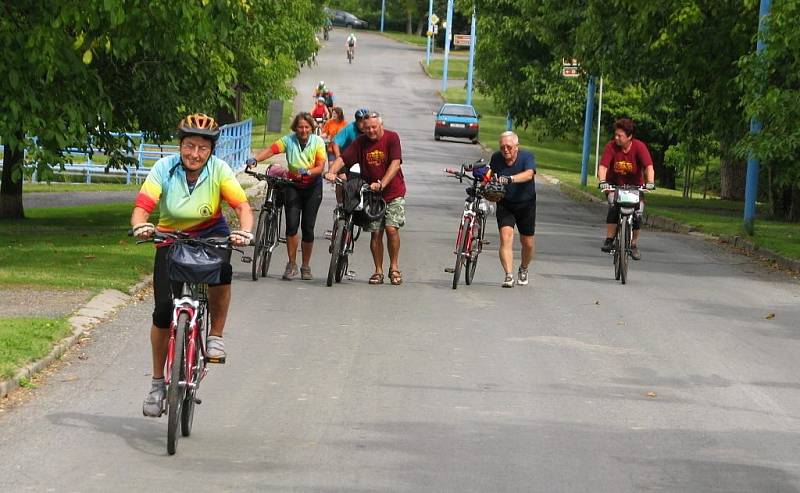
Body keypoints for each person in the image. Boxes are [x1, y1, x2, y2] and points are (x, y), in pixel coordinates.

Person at [131, 113, 254, 417]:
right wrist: (141, 226)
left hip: (211, 236)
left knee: (223, 274)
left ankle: (215, 337)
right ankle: (158, 384)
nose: (195, 154)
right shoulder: (163, 168)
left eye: (202, 147)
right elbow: (141, 208)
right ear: (180, 145)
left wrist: (244, 231)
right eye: (189, 146)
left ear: (211, 149)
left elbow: (242, 207)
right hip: (170, 238)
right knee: (162, 312)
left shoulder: (219, 170)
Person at [325, 112, 406, 286]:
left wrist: (382, 183)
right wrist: (331, 172)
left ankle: (394, 267)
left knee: (391, 229)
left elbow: (395, 163)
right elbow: (343, 158)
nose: (370, 130)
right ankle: (378, 270)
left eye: (374, 127)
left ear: (380, 126)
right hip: (371, 194)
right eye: (367, 127)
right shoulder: (361, 142)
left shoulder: (392, 138)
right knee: (376, 233)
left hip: (393, 192)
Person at [247, 112, 327, 280]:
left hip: (313, 187)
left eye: (307, 127)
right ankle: (291, 264)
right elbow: (271, 150)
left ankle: (305, 266)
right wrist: (255, 160)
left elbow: (320, 167)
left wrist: (308, 171)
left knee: (308, 228)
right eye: (300, 127)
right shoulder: (288, 140)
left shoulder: (318, 142)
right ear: (295, 128)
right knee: (291, 226)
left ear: (312, 128)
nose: (303, 130)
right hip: (292, 186)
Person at [598, 117, 655, 261]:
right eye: (615, 135)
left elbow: (649, 167)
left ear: (629, 136)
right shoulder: (611, 147)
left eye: (620, 135)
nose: (616, 138)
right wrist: (603, 181)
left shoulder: (639, 147)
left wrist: (650, 182)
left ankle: (633, 244)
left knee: (638, 214)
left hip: (635, 188)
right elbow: (603, 166)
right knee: (613, 206)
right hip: (614, 186)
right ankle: (609, 239)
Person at [488, 131, 536, 288]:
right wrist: (483, 185)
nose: (505, 150)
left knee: (527, 242)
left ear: (516, 147)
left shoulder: (526, 157)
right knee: (505, 237)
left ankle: (523, 268)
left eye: (509, 146)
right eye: (502, 147)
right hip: (505, 203)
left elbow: (529, 174)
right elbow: (489, 175)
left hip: (526, 204)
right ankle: (508, 275)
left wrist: (511, 179)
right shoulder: (496, 158)